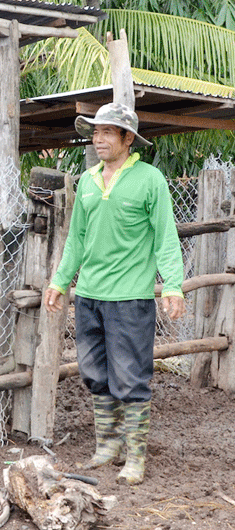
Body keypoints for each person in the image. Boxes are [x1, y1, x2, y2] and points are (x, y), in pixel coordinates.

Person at [44, 102, 185, 486]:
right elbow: (76, 239)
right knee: (94, 373)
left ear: (127, 138)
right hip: (89, 295)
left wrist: (172, 284)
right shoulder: (87, 181)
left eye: (108, 132)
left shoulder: (149, 179)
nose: (98, 138)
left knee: (130, 377)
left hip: (130, 298)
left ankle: (135, 457)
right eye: (95, 131)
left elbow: (165, 237)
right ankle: (107, 445)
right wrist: (60, 282)